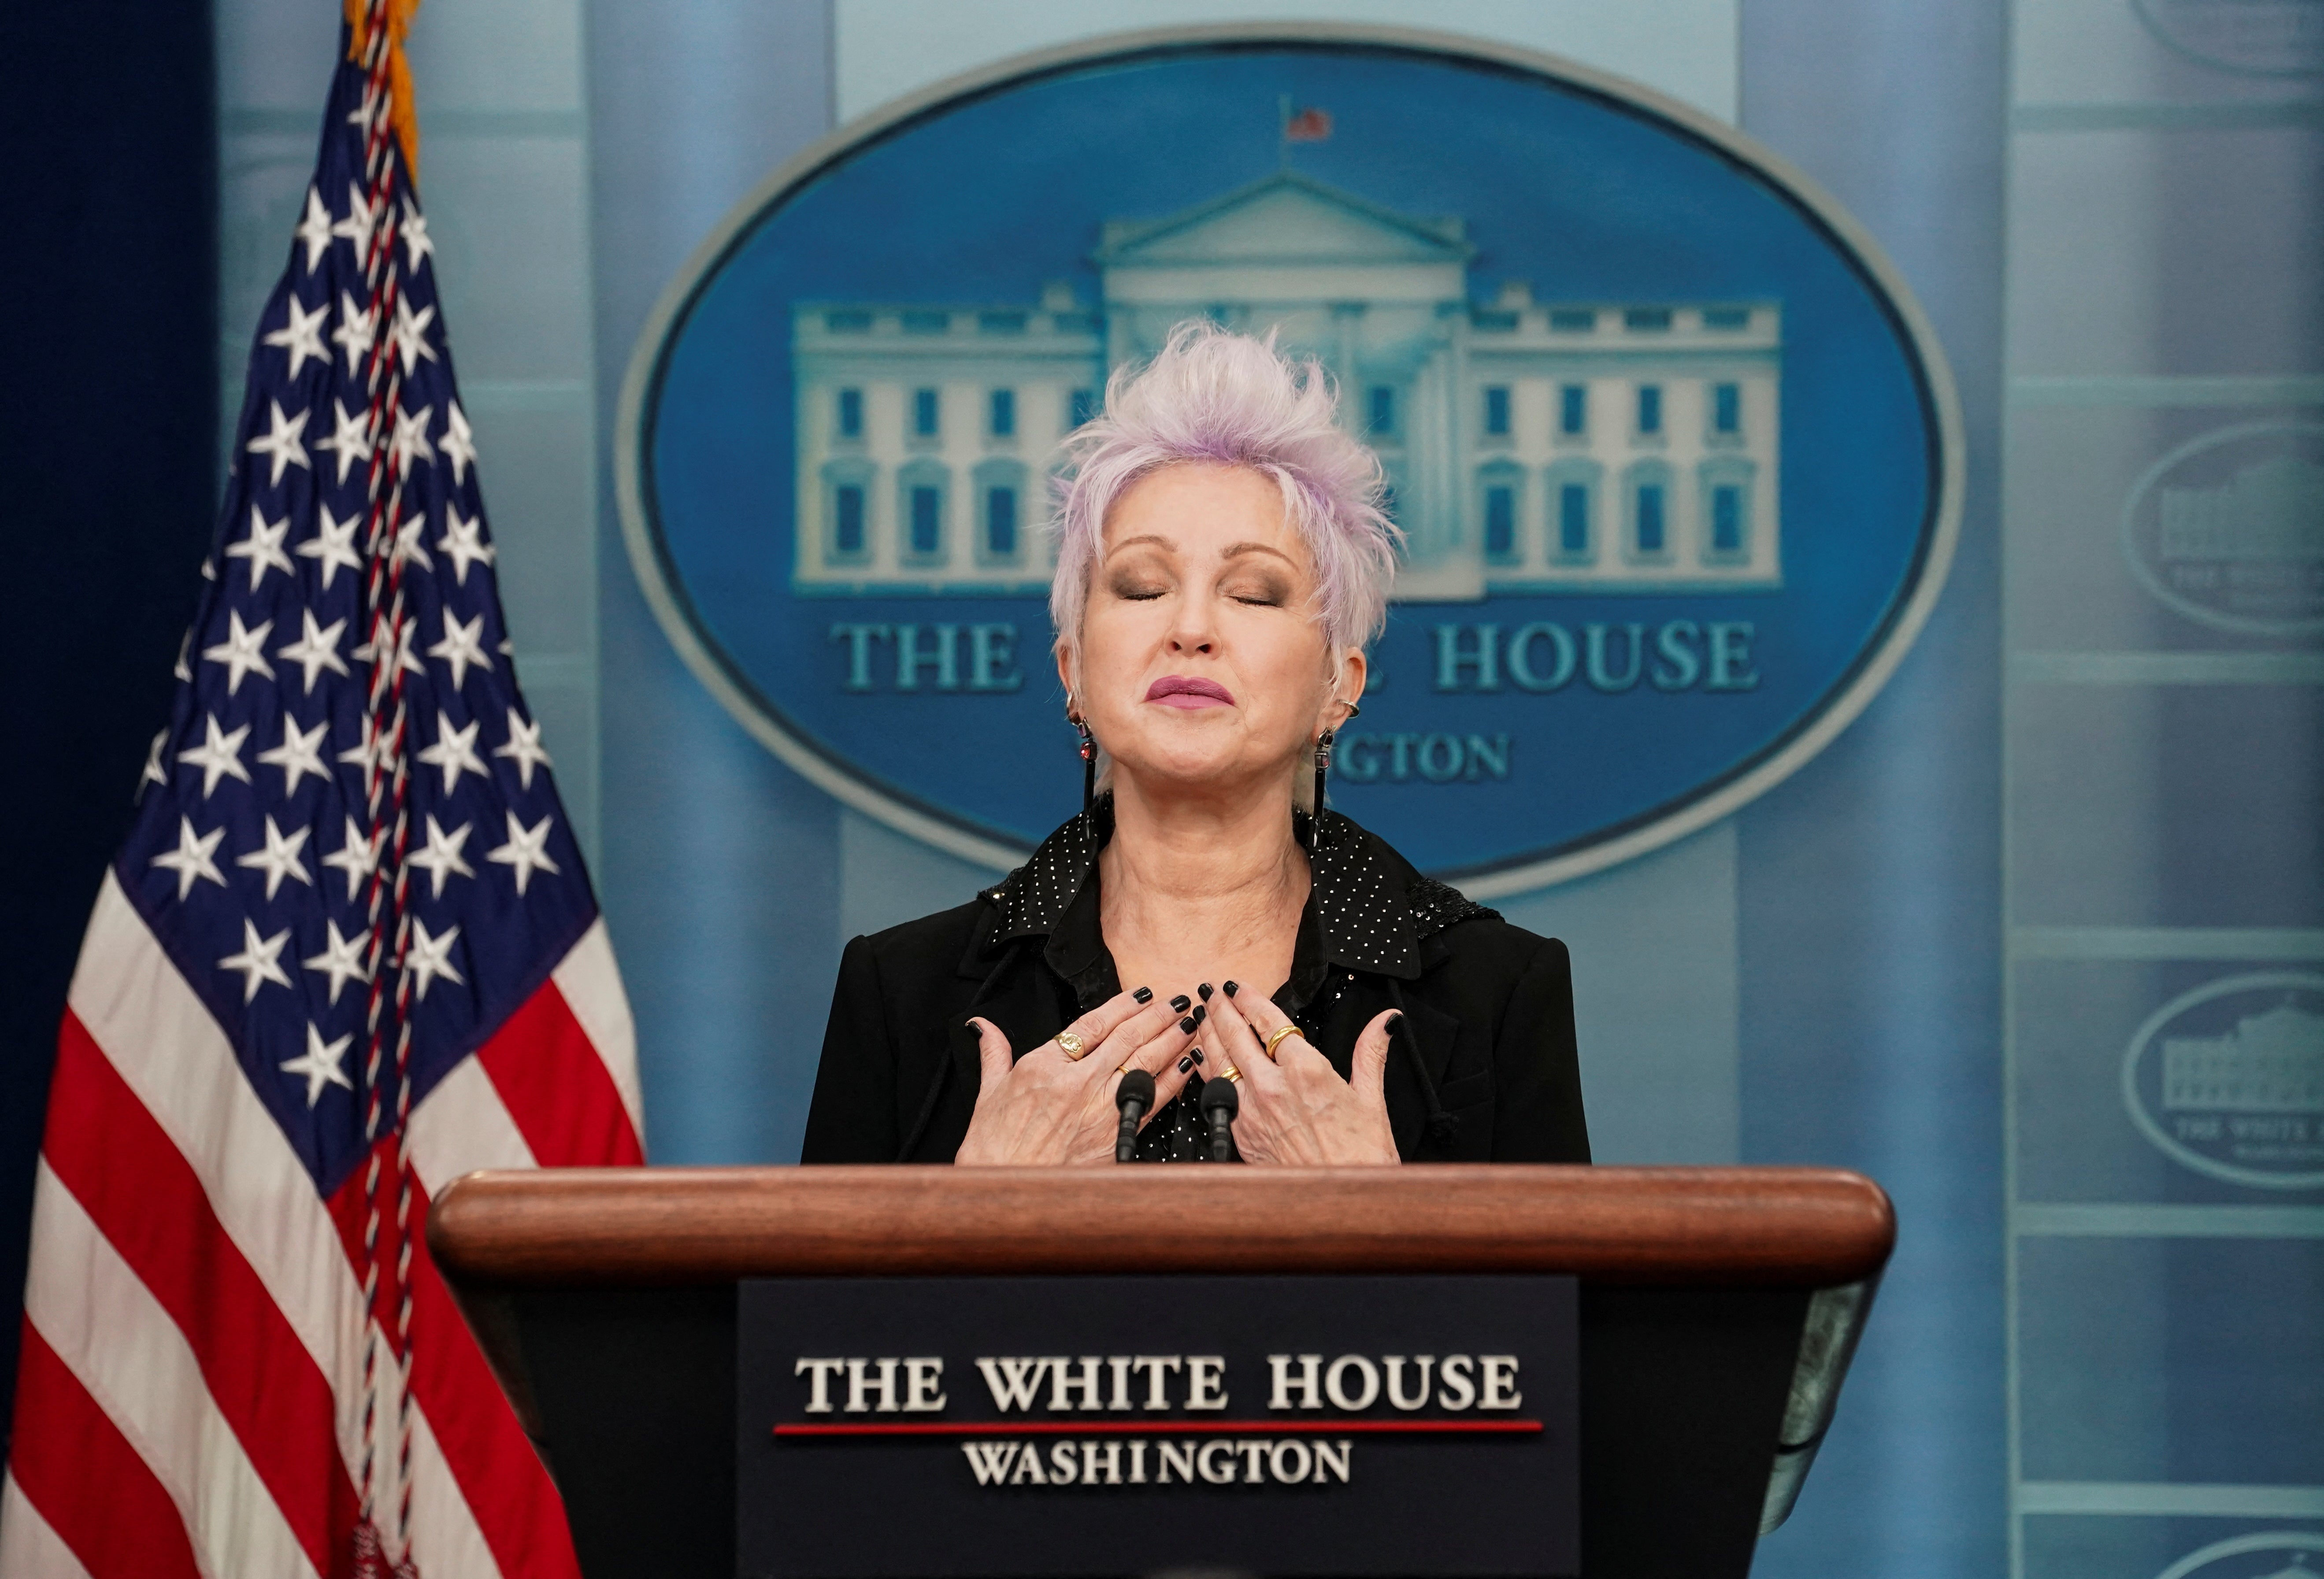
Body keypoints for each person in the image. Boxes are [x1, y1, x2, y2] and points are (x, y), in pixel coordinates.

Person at [800, 322, 1589, 1166]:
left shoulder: (1496, 986)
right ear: (1073, 672)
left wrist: (1380, 1219)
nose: (1191, 628)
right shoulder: (901, 990)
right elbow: (814, 1304)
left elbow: (1556, 1302)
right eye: (1142, 586)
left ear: (1340, 686)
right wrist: (977, 1212)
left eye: (1253, 594)